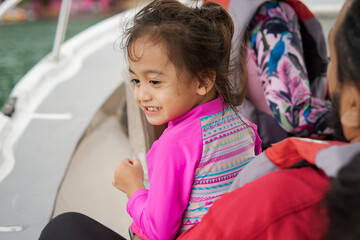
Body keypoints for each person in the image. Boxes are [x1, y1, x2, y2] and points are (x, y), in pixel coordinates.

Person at [40, 1, 262, 240]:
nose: (141, 95)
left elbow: (159, 233)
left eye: (155, 82)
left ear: (203, 81)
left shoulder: (175, 145)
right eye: (136, 81)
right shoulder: (243, 126)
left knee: (62, 227)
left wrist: (133, 188)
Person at [177, 0, 360, 238]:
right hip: (248, 150)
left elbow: (293, 112)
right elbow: (294, 112)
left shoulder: (268, 15)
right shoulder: (269, 14)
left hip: (236, 152)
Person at [205, 0, 332, 148]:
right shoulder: (272, 14)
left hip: (235, 148)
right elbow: (293, 114)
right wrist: (349, 112)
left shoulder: (214, 9)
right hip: (280, 152)